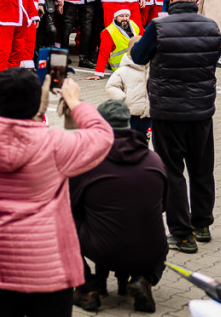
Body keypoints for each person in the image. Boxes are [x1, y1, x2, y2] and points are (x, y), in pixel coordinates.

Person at [0, 69, 113, 317]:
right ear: (37, 104)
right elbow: (102, 134)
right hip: (45, 268)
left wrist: (35, 109)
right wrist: (75, 102)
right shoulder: (54, 146)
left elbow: (14, 130)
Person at [130, 0, 221, 254]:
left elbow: (138, 58)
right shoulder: (211, 27)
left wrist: (137, 42)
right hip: (201, 109)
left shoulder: (158, 26)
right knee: (202, 169)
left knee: (172, 171)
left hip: (168, 110)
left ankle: (182, 234)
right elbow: (212, 59)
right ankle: (203, 223)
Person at [69, 99, 168, 313]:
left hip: (104, 248)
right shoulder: (154, 160)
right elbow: (164, 205)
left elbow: (69, 206)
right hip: (151, 248)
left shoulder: (88, 162)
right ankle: (144, 278)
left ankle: (87, 288)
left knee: (63, 223)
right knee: (149, 223)